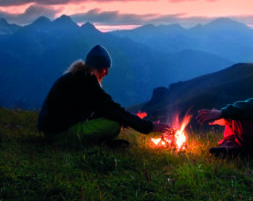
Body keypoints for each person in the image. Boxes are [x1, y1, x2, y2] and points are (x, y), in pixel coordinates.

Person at [37, 44, 171, 147]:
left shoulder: (75, 77)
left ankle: (96, 143)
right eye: (105, 69)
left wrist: (129, 120)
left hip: (50, 130)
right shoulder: (87, 82)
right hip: (60, 133)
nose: (106, 73)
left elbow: (100, 109)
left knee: (112, 117)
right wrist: (148, 126)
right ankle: (89, 143)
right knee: (114, 124)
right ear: (96, 68)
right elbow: (111, 107)